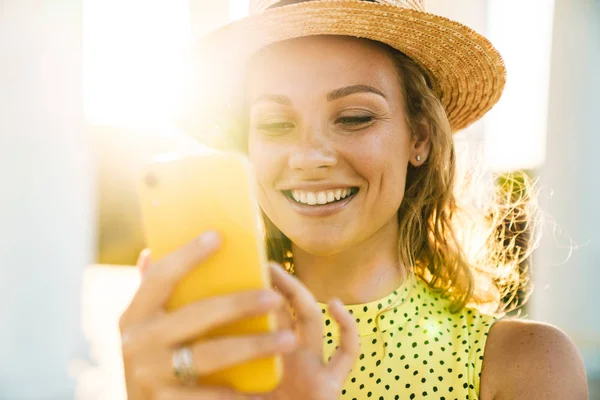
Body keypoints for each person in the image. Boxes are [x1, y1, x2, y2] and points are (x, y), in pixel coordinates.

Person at [119, 1, 590, 399]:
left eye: (355, 117)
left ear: (419, 138)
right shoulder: (199, 350)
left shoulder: (526, 363)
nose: (309, 157)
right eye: (276, 125)